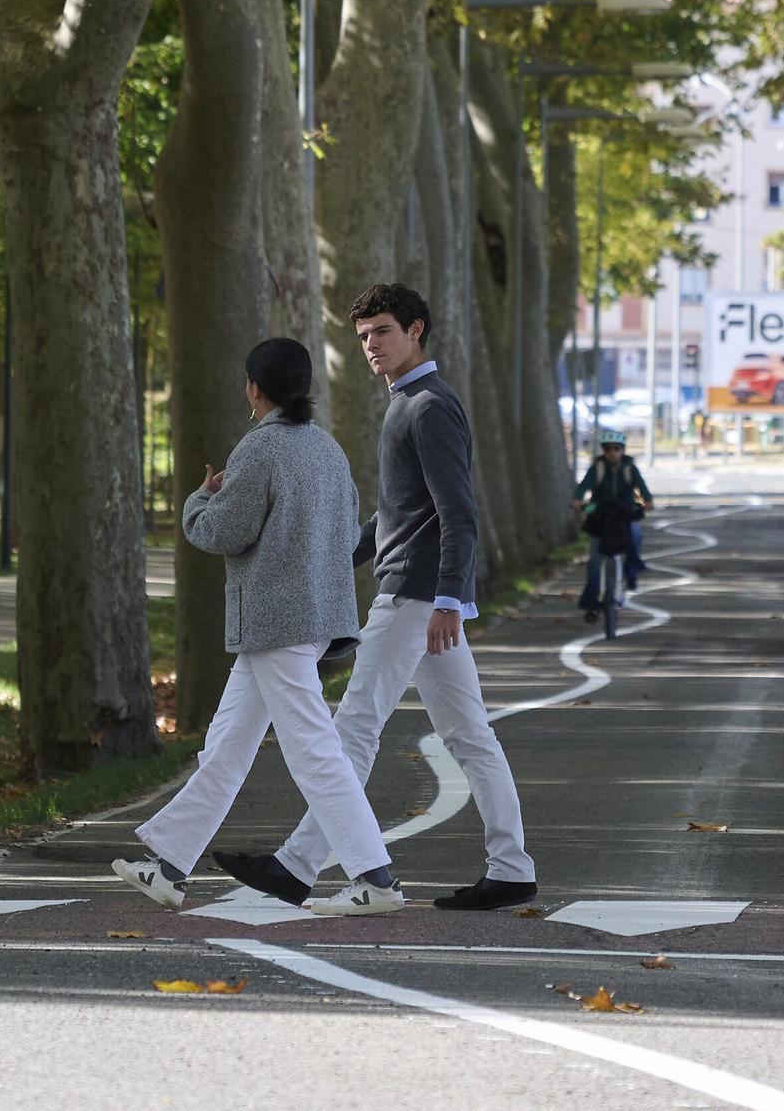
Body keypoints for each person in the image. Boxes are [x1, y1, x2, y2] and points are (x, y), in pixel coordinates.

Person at [213, 283, 539, 913]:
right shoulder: (407, 405)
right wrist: (330, 559)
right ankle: (512, 867)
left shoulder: (427, 407)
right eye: (362, 336)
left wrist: (449, 598)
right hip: (419, 590)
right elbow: (397, 517)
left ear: (416, 330)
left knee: (355, 727)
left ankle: (300, 865)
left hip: (416, 595)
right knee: (468, 735)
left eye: (382, 331)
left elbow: (458, 513)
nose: (370, 346)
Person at [114, 338, 401, 917]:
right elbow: (348, 540)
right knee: (227, 744)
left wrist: (200, 498)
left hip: (276, 623)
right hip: (314, 620)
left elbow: (221, 531)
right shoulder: (328, 451)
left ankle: (375, 877)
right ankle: (168, 866)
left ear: (254, 388)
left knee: (315, 752)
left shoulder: (259, 450)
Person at [573, 428, 655, 620]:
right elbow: (584, 486)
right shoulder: (597, 468)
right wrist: (577, 499)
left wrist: (648, 501)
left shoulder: (629, 468)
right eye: (608, 449)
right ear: (603, 450)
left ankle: (631, 571)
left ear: (623, 450)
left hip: (624, 512)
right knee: (595, 561)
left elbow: (641, 487)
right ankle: (591, 604)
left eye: (617, 448)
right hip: (600, 512)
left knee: (635, 536)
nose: (612, 452)